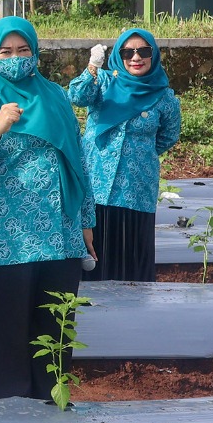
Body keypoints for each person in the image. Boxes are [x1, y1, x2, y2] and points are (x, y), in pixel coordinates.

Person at [0, 17, 96, 402]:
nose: (15, 58)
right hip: (6, 238)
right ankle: (8, 419)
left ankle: (51, 412)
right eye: (5, 52)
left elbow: (78, 161)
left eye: (23, 50)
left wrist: (86, 220)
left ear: (35, 52)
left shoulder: (56, 96)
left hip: (60, 234)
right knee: (6, 335)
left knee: (54, 334)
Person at [68, 29, 181, 282]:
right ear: (119, 57)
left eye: (143, 51)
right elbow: (76, 96)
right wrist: (93, 66)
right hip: (96, 186)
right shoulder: (103, 83)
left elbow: (168, 136)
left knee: (131, 262)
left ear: (154, 54)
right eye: (128, 53)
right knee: (92, 257)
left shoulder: (164, 97)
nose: (136, 58)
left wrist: (139, 154)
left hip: (136, 189)